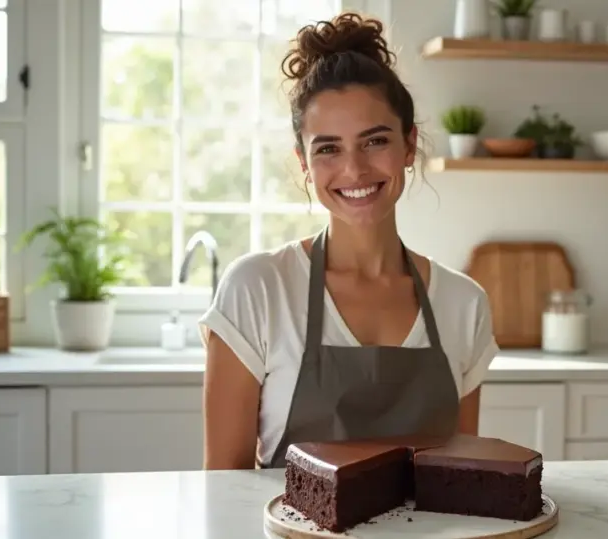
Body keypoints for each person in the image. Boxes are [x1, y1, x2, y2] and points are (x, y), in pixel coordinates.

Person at [197, 12, 499, 470]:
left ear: (409, 145)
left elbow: (462, 479)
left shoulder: (463, 304)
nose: (354, 170)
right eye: (328, 148)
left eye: (375, 141)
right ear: (304, 162)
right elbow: (222, 486)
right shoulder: (258, 290)